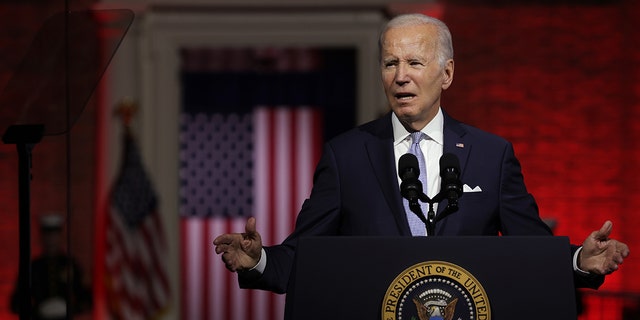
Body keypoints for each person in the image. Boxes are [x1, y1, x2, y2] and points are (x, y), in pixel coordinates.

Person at [214, 13, 629, 295]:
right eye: (390, 63)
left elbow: (531, 249)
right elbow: (303, 258)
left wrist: (578, 259)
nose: (401, 77)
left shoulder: (491, 154)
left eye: (414, 61)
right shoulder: (346, 155)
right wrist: (259, 260)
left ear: (446, 74)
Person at [10, 213, 92, 320]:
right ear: (42, 237)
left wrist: (71, 309)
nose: (51, 240)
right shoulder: (33, 268)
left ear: (59, 237)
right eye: (47, 235)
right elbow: (15, 303)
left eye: (54, 235)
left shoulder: (71, 265)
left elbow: (86, 299)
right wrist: (37, 309)